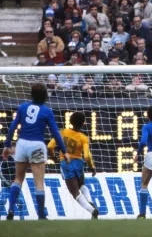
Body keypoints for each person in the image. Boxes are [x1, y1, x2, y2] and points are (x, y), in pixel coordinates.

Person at [2, 83, 70, 220]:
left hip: (22, 144)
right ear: (45, 95)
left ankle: (10, 210)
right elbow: (56, 133)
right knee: (38, 181)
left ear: (31, 94)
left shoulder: (22, 107)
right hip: (37, 145)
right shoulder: (46, 111)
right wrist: (64, 150)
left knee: (18, 179)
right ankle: (40, 215)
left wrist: (7, 146)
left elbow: (12, 128)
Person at [48, 112, 98, 219]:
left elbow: (50, 146)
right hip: (78, 163)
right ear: (83, 123)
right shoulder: (84, 138)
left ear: (70, 121)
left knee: (75, 192)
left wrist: (53, 157)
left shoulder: (62, 132)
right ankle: (90, 201)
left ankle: (92, 210)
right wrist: (92, 166)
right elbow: (87, 156)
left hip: (66, 163)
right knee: (82, 185)